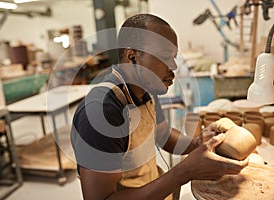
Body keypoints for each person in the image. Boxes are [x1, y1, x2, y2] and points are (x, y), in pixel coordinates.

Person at [71, 14, 248, 200]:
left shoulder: (145, 89)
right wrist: (183, 172)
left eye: (174, 58)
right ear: (132, 57)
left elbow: (162, 133)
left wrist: (197, 143)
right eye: (165, 58)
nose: (173, 67)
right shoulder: (102, 112)